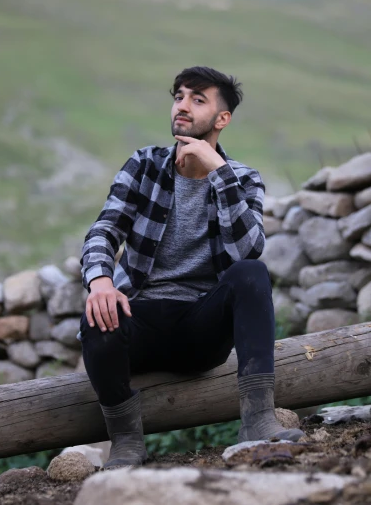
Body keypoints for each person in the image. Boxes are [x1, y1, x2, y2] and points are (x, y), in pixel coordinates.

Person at [79, 66, 303, 468]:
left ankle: (257, 420)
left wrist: (218, 172)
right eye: (179, 96)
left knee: (252, 274)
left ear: (222, 119)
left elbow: (248, 251)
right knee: (98, 312)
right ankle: (127, 442)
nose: (182, 106)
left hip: (201, 329)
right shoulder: (144, 165)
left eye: (197, 99)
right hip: (140, 320)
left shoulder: (242, 178)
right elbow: (105, 229)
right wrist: (99, 280)